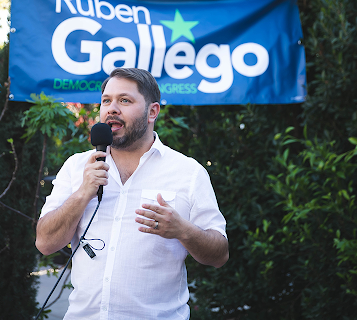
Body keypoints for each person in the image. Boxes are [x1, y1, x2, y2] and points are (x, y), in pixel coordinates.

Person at [36, 68, 229, 319]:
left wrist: (183, 230)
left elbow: (219, 255)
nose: (111, 109)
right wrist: (83, 193)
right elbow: (45, 243)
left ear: (152, 112)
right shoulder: (77, 167)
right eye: (106, 100)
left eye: (124, 100)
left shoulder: (188, 172)